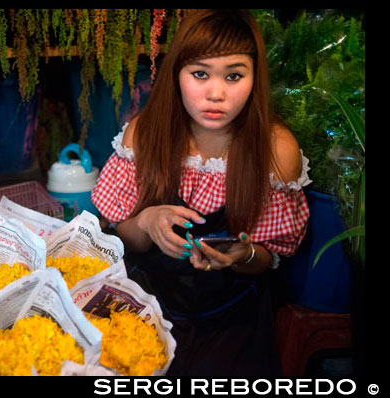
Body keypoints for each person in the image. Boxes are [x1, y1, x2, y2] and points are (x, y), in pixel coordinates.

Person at [91, 9, 310, 376]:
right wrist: (146, 221)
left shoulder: (276, 150)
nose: (216, 93)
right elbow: (126, 240)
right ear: (177, 74)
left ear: (255, 78)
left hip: (234, 319)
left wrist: (244, 253)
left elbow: (269, 259)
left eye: (234, 75)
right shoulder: (144, 135)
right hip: (150, 309)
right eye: (200, 74)